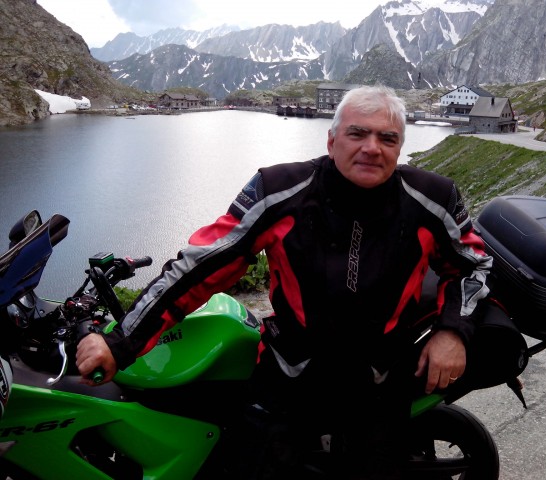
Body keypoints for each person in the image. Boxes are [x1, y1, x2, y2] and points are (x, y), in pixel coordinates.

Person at [76, 85, 493, 478]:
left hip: (382, 376)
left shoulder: (433, 198)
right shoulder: (280, 189)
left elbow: (473, 264)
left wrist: (452, 332)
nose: (372, 147)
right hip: (293, 371)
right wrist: (121, 342)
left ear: (399, 148)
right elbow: (201, 266)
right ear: (332, 141)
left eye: (387, 138)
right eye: (357, 133)